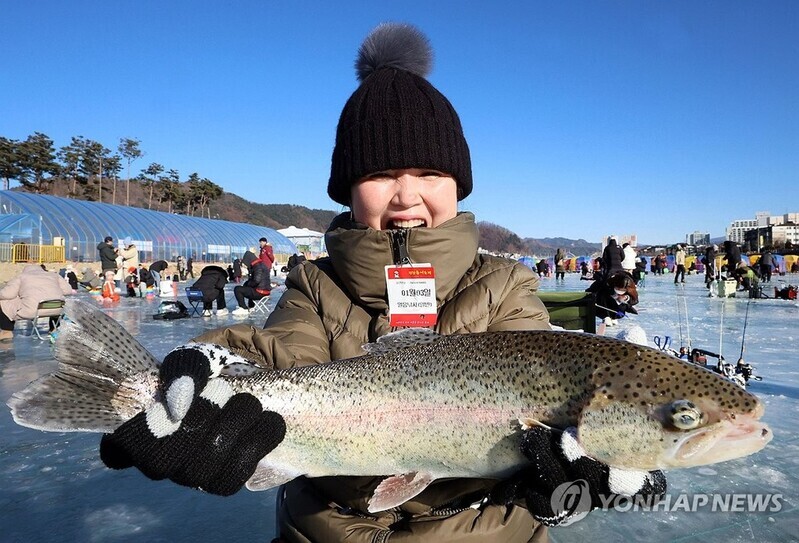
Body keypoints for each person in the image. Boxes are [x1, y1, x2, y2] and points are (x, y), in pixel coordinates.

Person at [99, 23, 664, 542]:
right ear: (348, 190)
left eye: (429, 173)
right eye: (380, 174)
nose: (406, 194)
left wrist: (576, 467)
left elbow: (541, 370)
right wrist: (210, 362)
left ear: (458, 184)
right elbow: (278, 355)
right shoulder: (314, 286)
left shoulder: (505, 284)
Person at [0, 264, 73, 341]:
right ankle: (53, 329)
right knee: (53, 299)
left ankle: (6, 331)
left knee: (3, 302)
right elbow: (68, 290)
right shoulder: (54, 275)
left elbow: (7, 294)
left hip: (32, 310)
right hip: (57, 309)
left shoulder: (22, 276)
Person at [231, 251, 270, 316]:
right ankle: (251, 306)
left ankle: (243, 308)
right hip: (264, 290)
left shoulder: (258, 267)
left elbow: (256, 281)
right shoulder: (261, 264)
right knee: (247, 285)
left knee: (237, 289)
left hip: (260, 292)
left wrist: (248, 284)